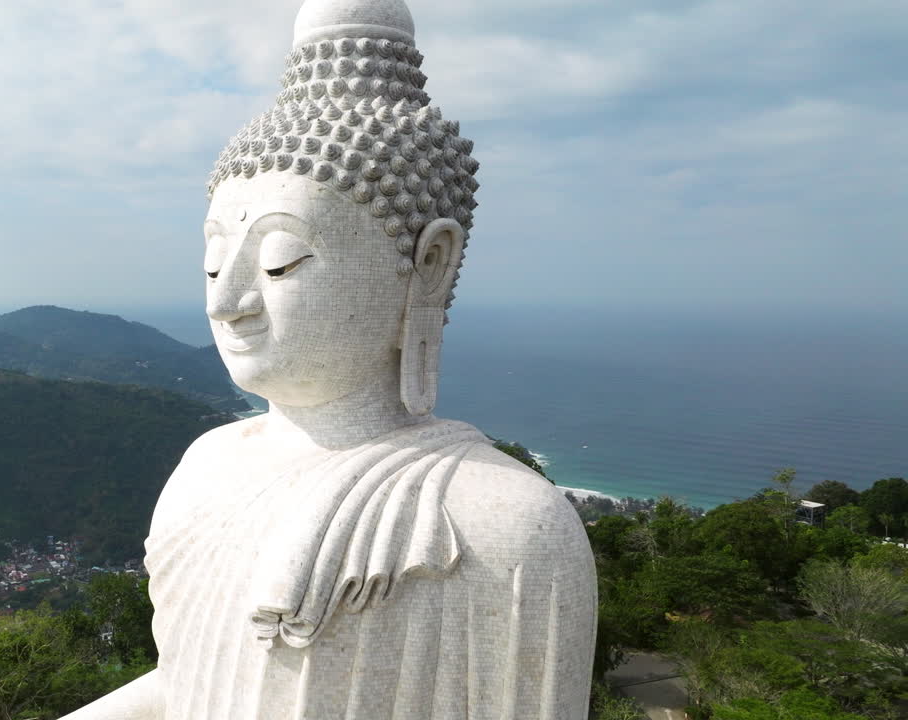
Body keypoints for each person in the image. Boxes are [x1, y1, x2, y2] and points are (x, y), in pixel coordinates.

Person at [66, 1, 595, 717]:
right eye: (215, 262)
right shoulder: (204, 467)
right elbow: (187, 686)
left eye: (281, 261)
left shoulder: (507, 527)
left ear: (428, 265)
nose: (229, 303)